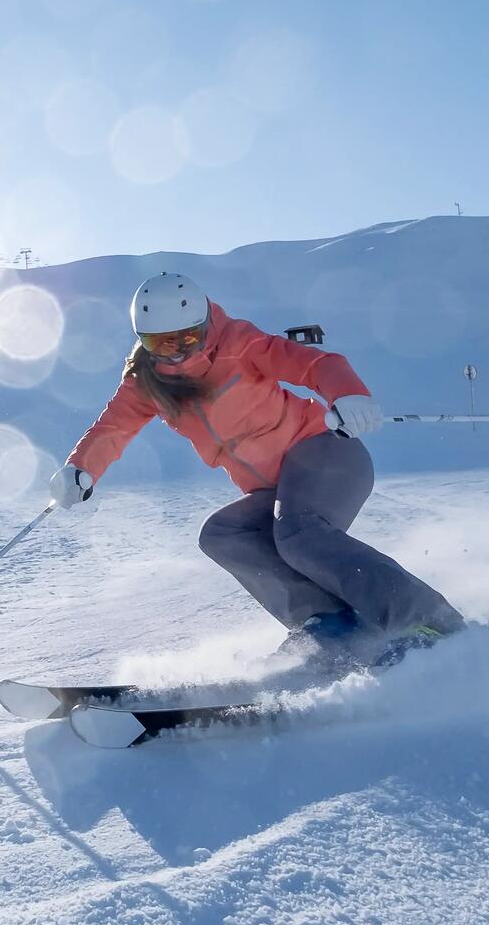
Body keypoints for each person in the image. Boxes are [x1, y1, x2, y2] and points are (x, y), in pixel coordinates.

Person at [48, 273, 464, 663]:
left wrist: (348, 394)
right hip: (275, 489)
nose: (179, 351)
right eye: (162, 344)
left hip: (325, 453)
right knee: (223, 534)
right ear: (144, 341)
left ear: (206, 322)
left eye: (188, 337)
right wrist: (79, 469)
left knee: (298, 534)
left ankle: (428, 621)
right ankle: (330, 625)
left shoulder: (238, 343)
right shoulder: (146, 381)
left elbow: (313, 364)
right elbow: (113, 427)